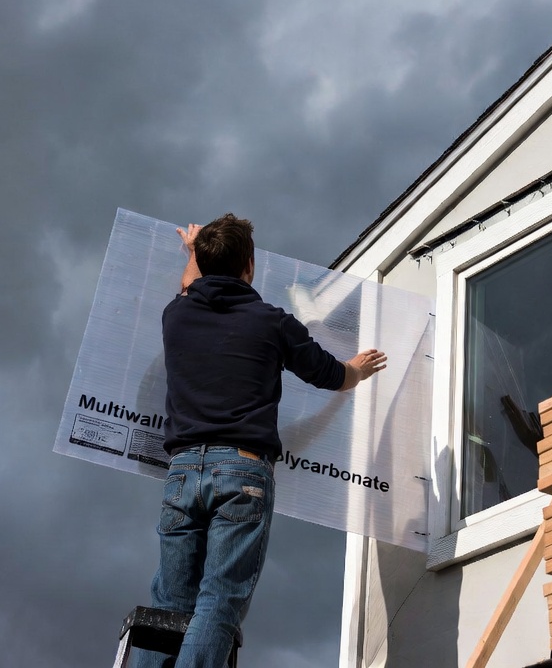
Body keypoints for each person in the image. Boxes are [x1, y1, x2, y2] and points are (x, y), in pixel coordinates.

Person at [147, 213, 386, 668]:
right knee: (219, 602)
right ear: (250, 266)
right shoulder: (271, 322)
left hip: (182, 472)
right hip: (241, 470)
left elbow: (189, 285)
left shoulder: (176, 315)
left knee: (169, 603)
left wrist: (193, 251)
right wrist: (357, 369)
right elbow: (331, 375)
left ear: (202, 263)